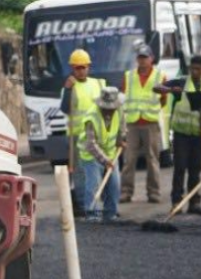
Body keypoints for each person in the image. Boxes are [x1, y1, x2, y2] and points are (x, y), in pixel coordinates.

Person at [156, 56, 201, 215]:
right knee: (180, 167)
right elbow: (157, 87)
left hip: (198, 135)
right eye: (192, 68)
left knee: (195, 169)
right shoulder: (181, 82)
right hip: (181, 134)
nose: (194, 72)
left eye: (198, 69)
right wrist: (171, 90)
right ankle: (177, 202)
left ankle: (194, 202)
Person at [60, 49, 105, 216]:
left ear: (89, 67)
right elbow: (65, 109)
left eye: (83, 67)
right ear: (72, 68)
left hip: (97, 135)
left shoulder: (99, 84)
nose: (80, 71)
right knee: (79, 172)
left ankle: (98, 202)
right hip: (77, 136)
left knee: (97, 170)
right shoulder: (69, 86)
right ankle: (81, 205)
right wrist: (67, 89)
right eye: (77, 68)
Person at [117, 45, 165, 203]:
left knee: (152, 159)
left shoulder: (160, 77)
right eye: (140, 57)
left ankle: (154, 193)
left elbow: (163, 100)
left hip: (150, 123)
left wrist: (150, 111)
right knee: (128, 160)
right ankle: (126, 192)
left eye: (145, 57)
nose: (142, 61)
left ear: (152, 59)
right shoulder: (128, 76)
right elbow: (122, 98)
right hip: (132, 124)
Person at [79, 87, 127, 223]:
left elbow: (121, 129)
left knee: (114, 185)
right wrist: (105, 160)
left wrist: (120, 141)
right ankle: (92, 213)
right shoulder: (91, 117)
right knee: (94, 184)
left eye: (112, 108)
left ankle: (110, 213)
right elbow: (91, 145)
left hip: (111, 153)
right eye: (106, 108)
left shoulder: (119, 111)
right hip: (91, 155)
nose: (110, 111)